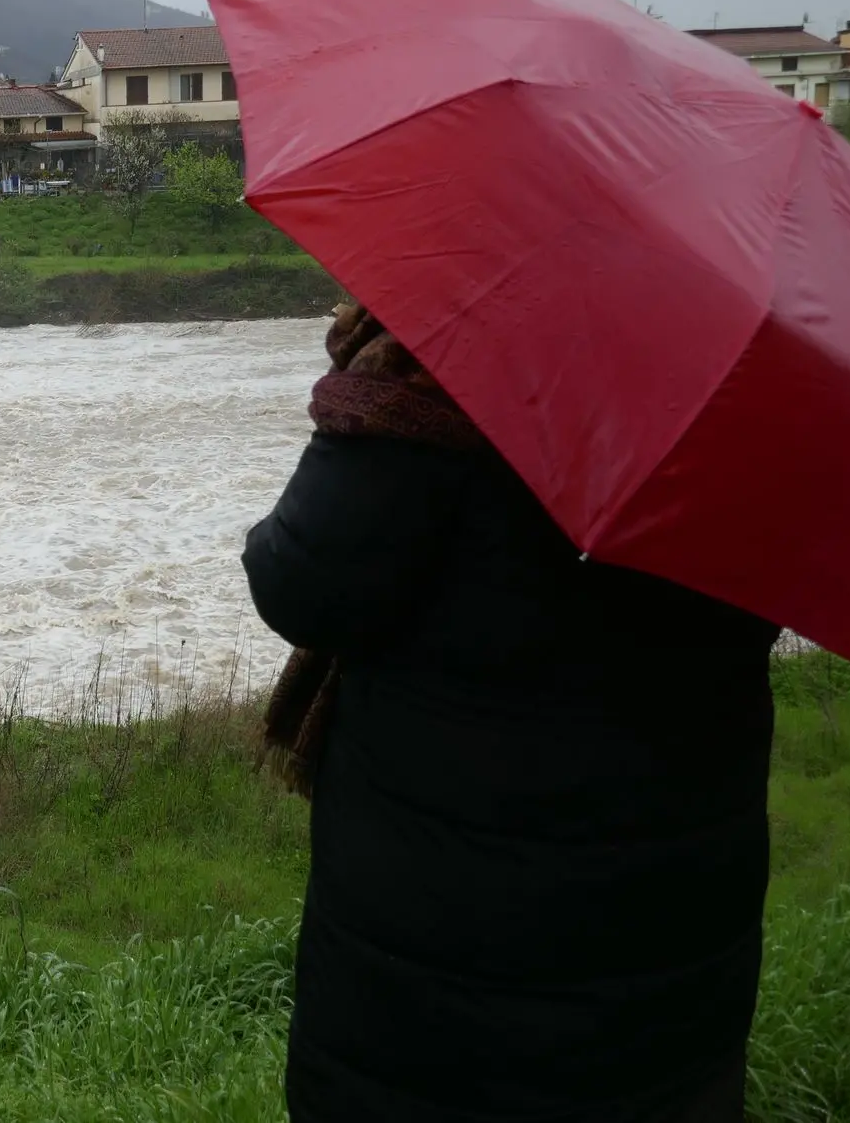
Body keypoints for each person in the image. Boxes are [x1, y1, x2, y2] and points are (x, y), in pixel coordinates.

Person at [245, 303, 777, 1123]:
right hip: (675, 902)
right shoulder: (753, 379)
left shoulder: (444, 355)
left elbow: (298, 579)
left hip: (444, 942)